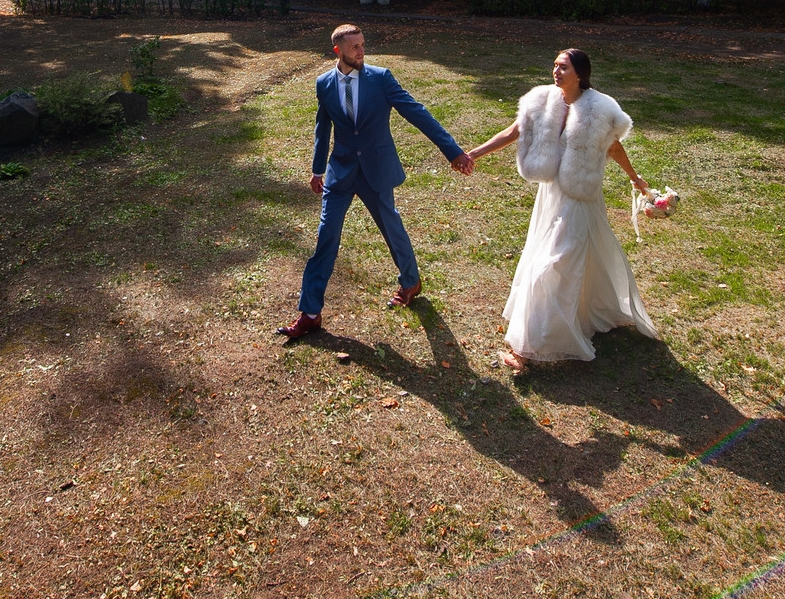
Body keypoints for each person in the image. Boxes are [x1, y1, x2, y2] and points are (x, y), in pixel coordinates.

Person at [276, 24, 473, 343]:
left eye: (363, 45)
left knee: (391, 228)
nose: (361, 51)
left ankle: (411, 282)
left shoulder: (381, 79)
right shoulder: (324, 83)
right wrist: (316, 169)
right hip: (340, 171)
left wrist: (452, 151)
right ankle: (310, 314)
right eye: (354, 47)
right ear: (337, 51)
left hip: (376, 171)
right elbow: (321, 127)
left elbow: (417, 113)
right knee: (326, 238)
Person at [465, 48, 658, 372]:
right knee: (580, 255)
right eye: (554, 65)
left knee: (555, 262)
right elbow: (513, 132)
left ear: (580, 73)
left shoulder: (598, 108)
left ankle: (529, 347)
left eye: (563, 67)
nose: (556, 71)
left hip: (581, 196)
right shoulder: (544, 101)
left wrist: (636, 178)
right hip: (552, 193)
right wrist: (472, 153)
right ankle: (589, 311)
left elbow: (613, 146)